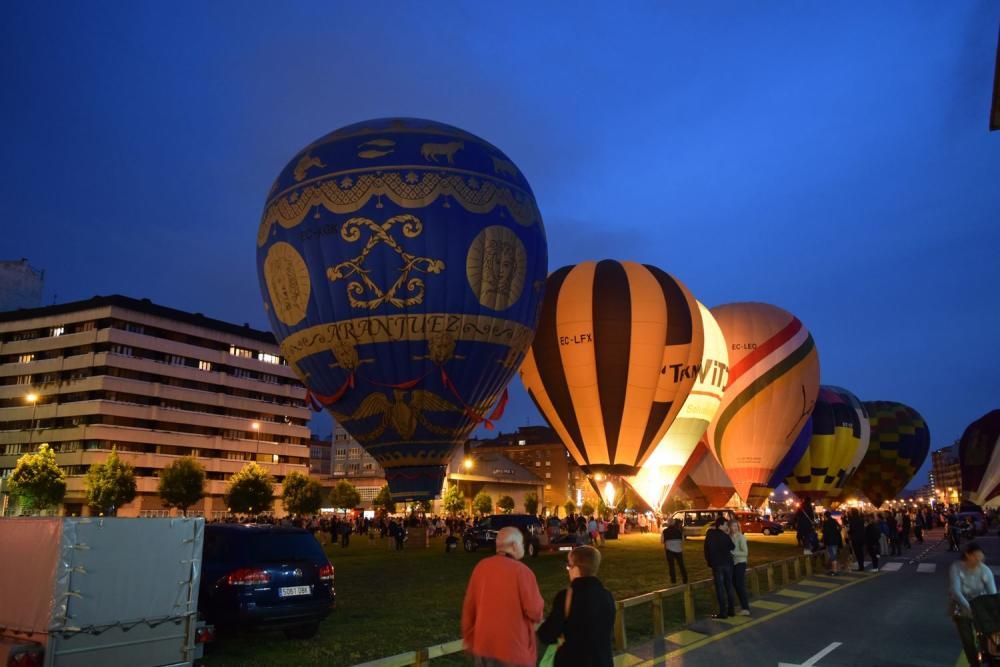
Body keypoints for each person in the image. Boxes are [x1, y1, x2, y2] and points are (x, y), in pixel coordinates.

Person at [461, 526, 544, 667]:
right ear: (513, 545)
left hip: (483, 646)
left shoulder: (481, 567)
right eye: (522, 544)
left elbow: (469, 607)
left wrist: (469, 638)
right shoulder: (522, 572)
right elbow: (535, 612)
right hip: (512, 650)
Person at [537, 545, 615, 666]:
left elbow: (547, 635)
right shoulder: (607, 596)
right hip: (602, 661)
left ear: (576, 569)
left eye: (569, 566)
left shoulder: (566, 597)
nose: (568, 570)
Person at [950, 541, 997, 666]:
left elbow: (992, 594)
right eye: (975, 557)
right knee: (967, 641)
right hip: (962, 608)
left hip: (980, 607)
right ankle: (974, 663)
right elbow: (956, 591)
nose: (978, 560)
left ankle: (988, 658)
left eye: (980, 557)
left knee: (987, 637)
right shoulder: (957, 567)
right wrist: (968, 607)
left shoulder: (985, 570)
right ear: (967, 555)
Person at [703, 516, 736, 619]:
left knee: (720, 588)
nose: (727, 527)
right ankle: (731, 610)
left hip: (717, 565)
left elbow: (706, 548)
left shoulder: (710, 534)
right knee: (729, 586)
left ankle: (723, 612)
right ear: (720, 525)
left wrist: (709, 562)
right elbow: (732, 547)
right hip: (727, 564)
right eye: (726, 525)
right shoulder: (725, 535)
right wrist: (727, 535)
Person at [729, 520, 751, 615]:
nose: (734, 528)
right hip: (733, 564)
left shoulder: (741, 537)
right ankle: (742, 606)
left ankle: (746, 608)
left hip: (740, 563)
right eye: (732, 526)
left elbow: (745, 553)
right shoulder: (729, 537)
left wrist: (733, 553)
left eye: (736, 526)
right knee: (735, 585)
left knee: (739, 585)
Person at [661, 518, 688, 585]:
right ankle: (685, 579)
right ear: (674, 523)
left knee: (671, 566)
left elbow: (662, 541)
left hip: (669, 550)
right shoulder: (679, 531)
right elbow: (682, 540)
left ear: (668, 523)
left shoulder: (665, 531)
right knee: (681, 565)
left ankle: (673, 580)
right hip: (678, 549)